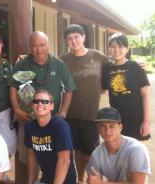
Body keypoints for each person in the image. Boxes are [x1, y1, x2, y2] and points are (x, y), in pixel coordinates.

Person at [9, 31, 76, 183]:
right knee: (29, 155)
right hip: (28, 119)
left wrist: (63, 111)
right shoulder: (23, 64)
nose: (39, 49)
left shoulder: (58, 64)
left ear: (48, 45)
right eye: (34, 46)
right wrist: (17, 111)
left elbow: (69, 89)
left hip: (52, 121)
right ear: (30, 47)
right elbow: (13, 86)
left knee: (55, 154)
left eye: (42, 45)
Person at [59, 24, 109, 182]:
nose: (73, 41)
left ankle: (89, 178)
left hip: (91, 114)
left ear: (83, 37)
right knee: (76, 150)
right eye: (69, 38)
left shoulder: (98, 57)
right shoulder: (62, 60)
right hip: (70, 114)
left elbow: (115, 69)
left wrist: (136, 65)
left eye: (76, 37)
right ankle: (79, 178)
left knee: (90, 151)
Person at [102, 33, 151, 141]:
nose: (116, 50)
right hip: (116, 119)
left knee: (135, 154)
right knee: (118, 152)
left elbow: (145, 96)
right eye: (113, 46)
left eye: (120, 47)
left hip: (136, 119)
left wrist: (146, 122)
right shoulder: (107, 69)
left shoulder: (136, 67)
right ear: (109, 49)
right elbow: (103, 90)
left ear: (127, 49)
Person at [86, 107, 150, 183]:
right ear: (98, 129)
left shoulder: (136, 149)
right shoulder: (96, 154)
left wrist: (101, 183)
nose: (107, 131)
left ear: (120, 127)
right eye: (103, 126)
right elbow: (94, 180)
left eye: (112, 126)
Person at [24, 89, 76, 184]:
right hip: (45, 180)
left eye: (45, 102)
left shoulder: (60, 126)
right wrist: (30, 182)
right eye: (36, 101)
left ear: (52, 106)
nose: (40, 104)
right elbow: (31, 156)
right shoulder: (29, 127)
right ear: (32, 105)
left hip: (64, 181)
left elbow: (64, 161)